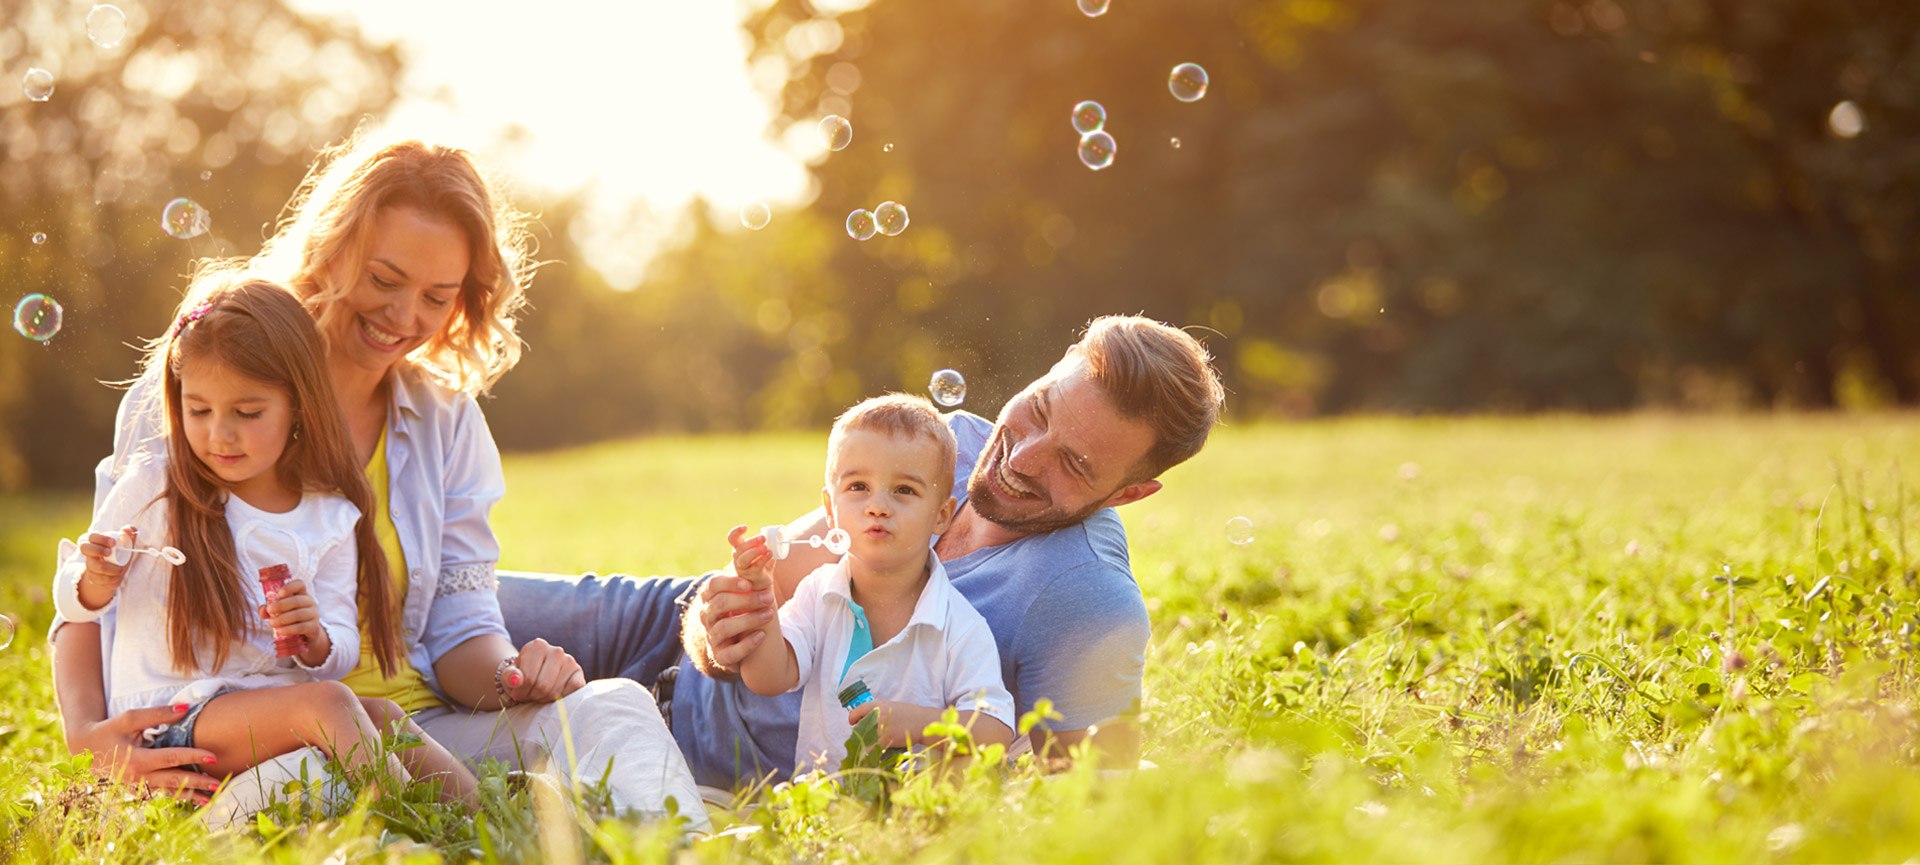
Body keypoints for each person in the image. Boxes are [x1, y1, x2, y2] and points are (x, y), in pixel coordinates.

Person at [51, 134, 706, 829]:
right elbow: (91, 598)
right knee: (314, 787)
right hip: (242, 736)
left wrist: (513, 675)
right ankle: (458, 830)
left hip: (410, 733)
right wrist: (89, 737)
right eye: (385, 279)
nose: (404, 316)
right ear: (330, 250)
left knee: (616, 706)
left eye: (436, 296)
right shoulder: (202, 391)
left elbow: (460, 626)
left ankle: (679, 849)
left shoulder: (442, 420)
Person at [499, 314, 1224, 788]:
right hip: (661, 623)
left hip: (703, 759)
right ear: (1052, 366)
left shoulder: (1086, 598)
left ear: (1129, 493)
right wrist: (717, 628)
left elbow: (1082, 803)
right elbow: (771, 576)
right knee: (440, 599)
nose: (1022, 458)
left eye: (1075, 464)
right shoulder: (957, 439)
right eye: (1036, 410)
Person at [53, 279, 476, 803]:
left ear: (298, 406)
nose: (219, 435)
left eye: (247, 413)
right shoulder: (155, 486)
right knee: (328, 706)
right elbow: (73, 608)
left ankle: (484, 815)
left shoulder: (329, 517)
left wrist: (316, 638)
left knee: (382, 714)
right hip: (170, 723)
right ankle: (412, 819)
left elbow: (341, 644)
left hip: (262, 714)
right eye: (199, 411)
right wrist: (92, 581)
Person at [730, 394, 1013, 773]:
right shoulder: (819, 594)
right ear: (830, 511)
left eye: (904, 490)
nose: (877, 505)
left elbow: (995, 731)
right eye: (858, 487)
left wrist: (922, 725)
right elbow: (766, 679)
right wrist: (761, 598)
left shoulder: (957, 626)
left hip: (917, 812)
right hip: (825, 809)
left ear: (941, 516)